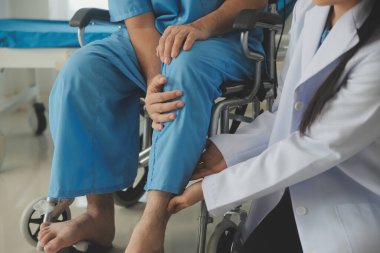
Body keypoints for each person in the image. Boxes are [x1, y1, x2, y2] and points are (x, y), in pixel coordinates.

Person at [36, 0, 268, 253]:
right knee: (81, 71)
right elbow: (140, 24)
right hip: (145, 42)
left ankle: (154, 221)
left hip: (224, 37)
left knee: (180, 76)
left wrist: (201, 27)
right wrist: (153, 85)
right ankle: (97, 216)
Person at [168, 0, 380, 252]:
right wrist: (226, 153)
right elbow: (286, 112)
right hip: (293, 186)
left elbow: (312, 148)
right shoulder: (310, 9)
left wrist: (214, 187)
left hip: (348, 201)